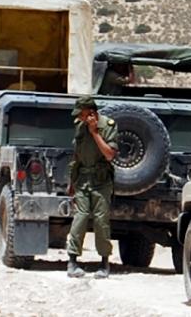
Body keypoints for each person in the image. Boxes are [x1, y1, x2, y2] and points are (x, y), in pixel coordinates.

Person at [66, 96, 118, 279]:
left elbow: (110, 155)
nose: (79, 117)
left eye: (81, 113)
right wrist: (72, 182)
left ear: (91, 112)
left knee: (101, 221)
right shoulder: (79, 127)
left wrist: (95, 132)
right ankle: (72, 261)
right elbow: (77, 157)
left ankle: (104, 263)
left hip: (101, 181)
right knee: (79, 219)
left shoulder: (108, 126)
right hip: (83, 180)